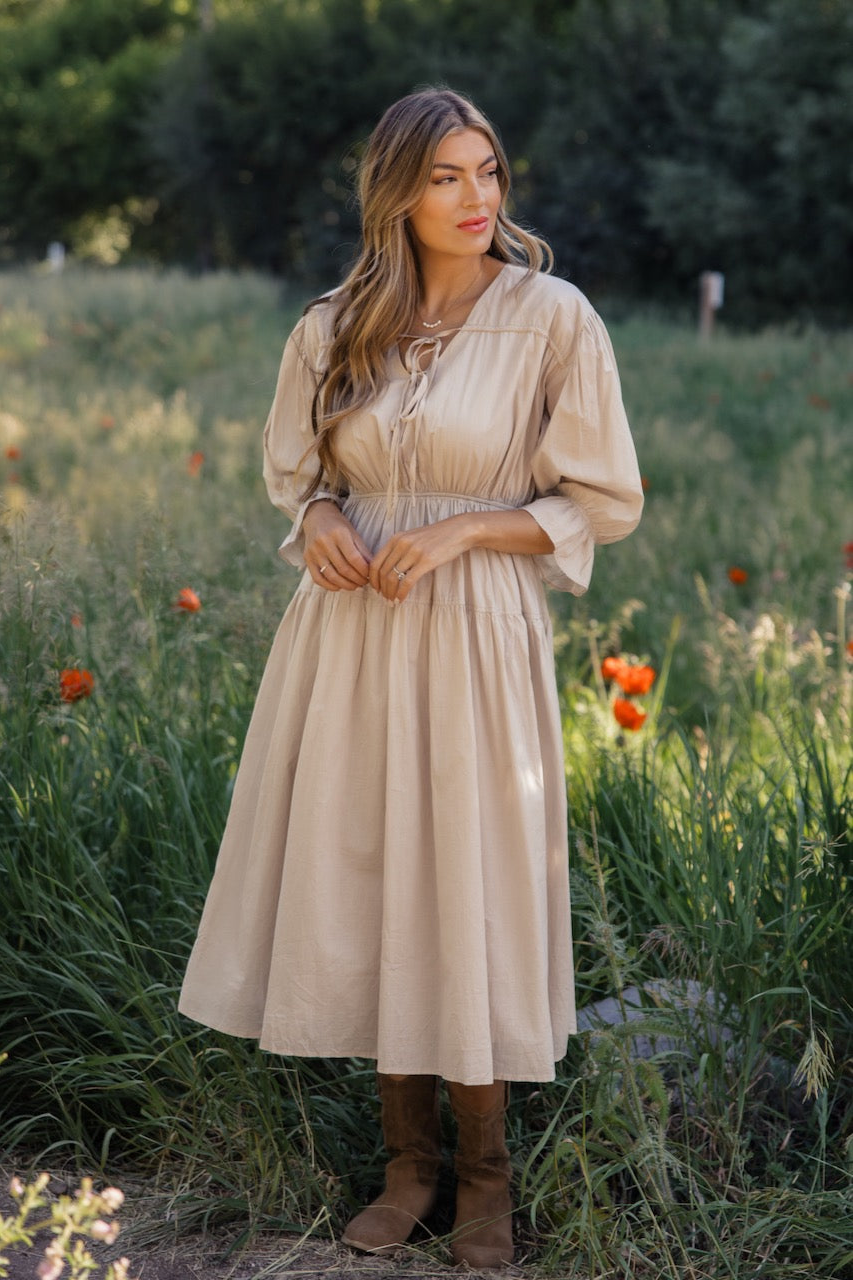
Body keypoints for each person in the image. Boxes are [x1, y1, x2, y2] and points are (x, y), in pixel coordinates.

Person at [179, 87, 643, 1269]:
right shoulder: (331, 325)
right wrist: (327, 510)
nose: (477, 198)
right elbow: (297, 473)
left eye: (487, 171)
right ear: (396, 190)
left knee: (468, 877)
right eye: (445, 176)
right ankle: (407, 1164)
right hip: (349, 632)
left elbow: (597, 501)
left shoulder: (551, 317)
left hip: (475, 630)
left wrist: (462, 531)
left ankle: (485, 1174)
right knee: (379, 872)